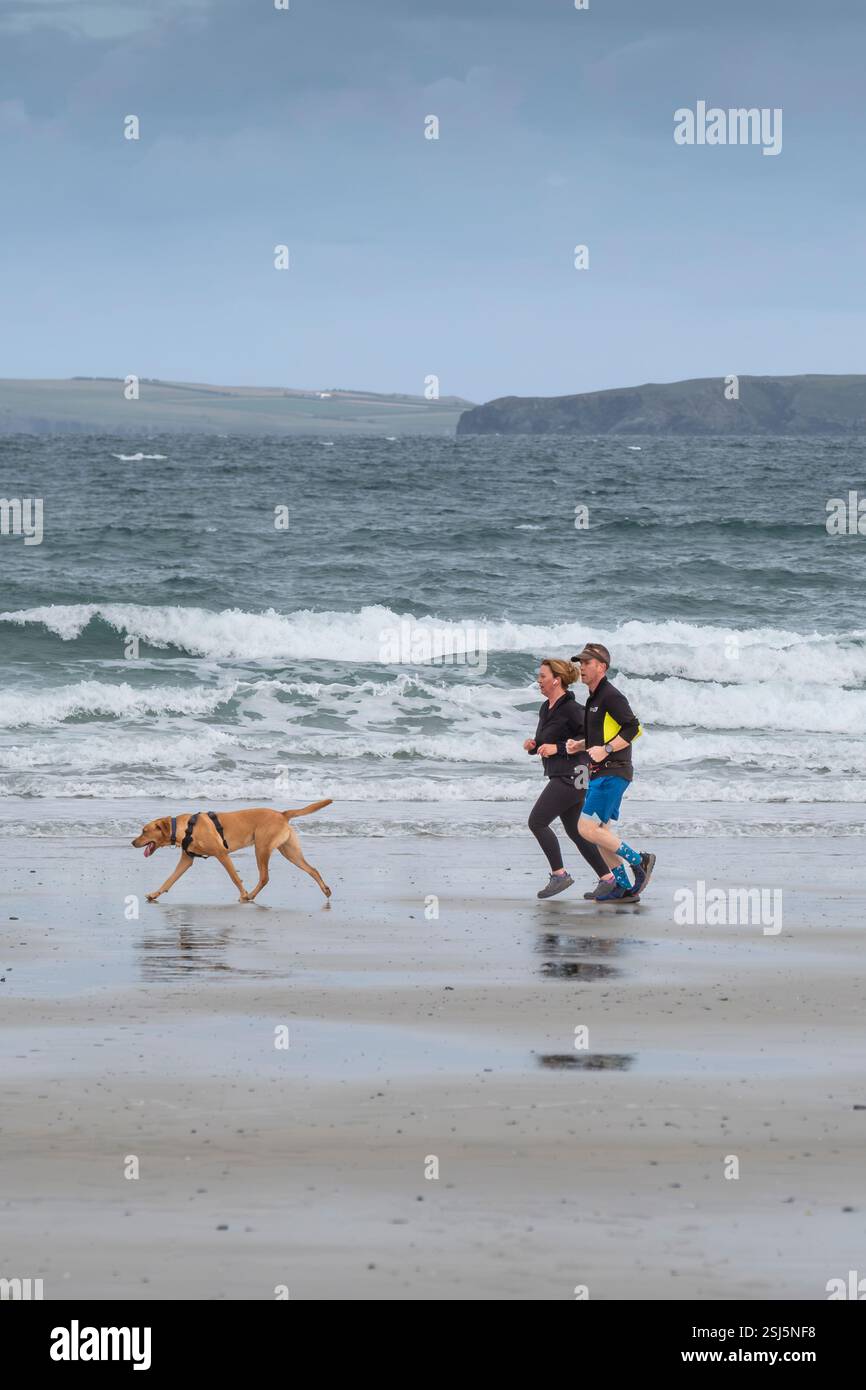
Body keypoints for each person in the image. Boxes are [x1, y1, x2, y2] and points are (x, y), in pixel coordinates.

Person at [565, 642, 655, 902]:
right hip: (600, 772)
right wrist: (580, 745)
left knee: (586, 827)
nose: (581, 667)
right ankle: (623, 886)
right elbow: (602, 733)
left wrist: (605, 749)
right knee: (601, 832)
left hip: (613, 771)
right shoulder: (594, 697)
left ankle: (640, 861)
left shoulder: (611, 695)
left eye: (587, 663)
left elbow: (633, 728)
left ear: (601, 667)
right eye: (580, 663)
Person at [525, 658, 610, 899]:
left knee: (537, 822)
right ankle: (609, 879)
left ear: (557, 680)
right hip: (564, 774)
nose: (538, 680)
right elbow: (546, 741)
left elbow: (593, 739)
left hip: (573, 775)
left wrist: (559, 749)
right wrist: (534, 746)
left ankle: (559, 874)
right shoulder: (546, 707)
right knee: (575, 830)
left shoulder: (573, 709)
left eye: (542, 676)